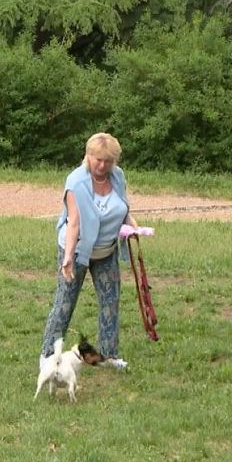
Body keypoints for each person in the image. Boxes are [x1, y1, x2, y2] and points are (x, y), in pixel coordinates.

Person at [39, 132, 136, 369]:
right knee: (65, 302)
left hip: (106, 251)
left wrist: (134, 227)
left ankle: (109, 355)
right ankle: (49, 356)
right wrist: (69, 258)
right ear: (88, 156)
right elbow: (74, 222)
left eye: (108, 161)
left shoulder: (117, 177)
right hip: (78, 249)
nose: (102, 165)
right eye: (98, 159)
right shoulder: (76, 182)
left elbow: (122, 207)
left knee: (110, 302)